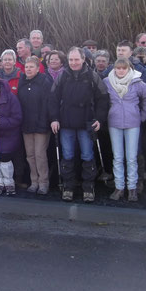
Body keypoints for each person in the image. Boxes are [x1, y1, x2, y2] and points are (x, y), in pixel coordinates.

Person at [49, 47, 109, 202]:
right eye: (71, 60)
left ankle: (88, 186)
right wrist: (54, 118)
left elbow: (103, 98)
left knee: (87, 155)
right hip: (66, 123)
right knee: (67, 155)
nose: (74, 62)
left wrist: (99, 119)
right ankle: (68, 186)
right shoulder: (62, 76)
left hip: (86, 122)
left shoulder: (92, 76)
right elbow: (53, 99)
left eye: (76, 59)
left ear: (83, 59)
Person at [103, 58, 146, 202]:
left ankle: (132, 188)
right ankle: (119, 187)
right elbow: (101, 99)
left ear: (129, 69)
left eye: (123, 68)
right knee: (118, 157)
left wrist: (141, 117)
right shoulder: (107, 82)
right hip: (114, 122)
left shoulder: (138, 83)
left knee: (131, 158)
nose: (120, 71)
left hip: (133, 123)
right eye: (118, 68)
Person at [17, 56, 53, 194]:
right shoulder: (22, 81)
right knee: (30, 155)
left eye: (31, 67)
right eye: (26, 67)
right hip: (26, 124)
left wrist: (44, 122)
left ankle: (44, 182)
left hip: (41, 124)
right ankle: (34, 181)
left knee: (40, 154)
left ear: (38, 68)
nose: (28, 69)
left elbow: (47, 103)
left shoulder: (45, 81)